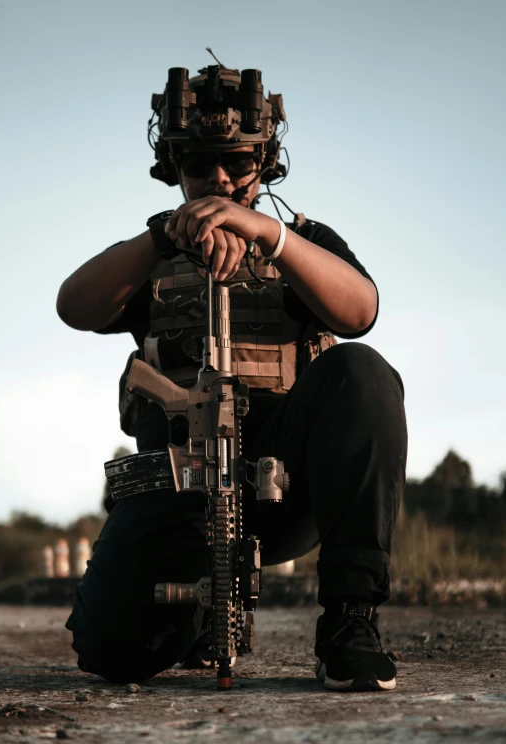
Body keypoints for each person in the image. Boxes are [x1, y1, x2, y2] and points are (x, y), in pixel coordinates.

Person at [57, 61, 407, 692]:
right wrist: (164, 239)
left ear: (265, 164)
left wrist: (266, 235)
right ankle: (203, 614)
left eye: (238, 165)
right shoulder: (151, 258)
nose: (218, 179)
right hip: (181, 492)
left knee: (364, 374)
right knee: (109, 648)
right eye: (198, 166)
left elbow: (361, 311)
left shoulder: (301, 244)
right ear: (174, 169)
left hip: (284, 490)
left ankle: (350, 623)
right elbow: (73, 305)